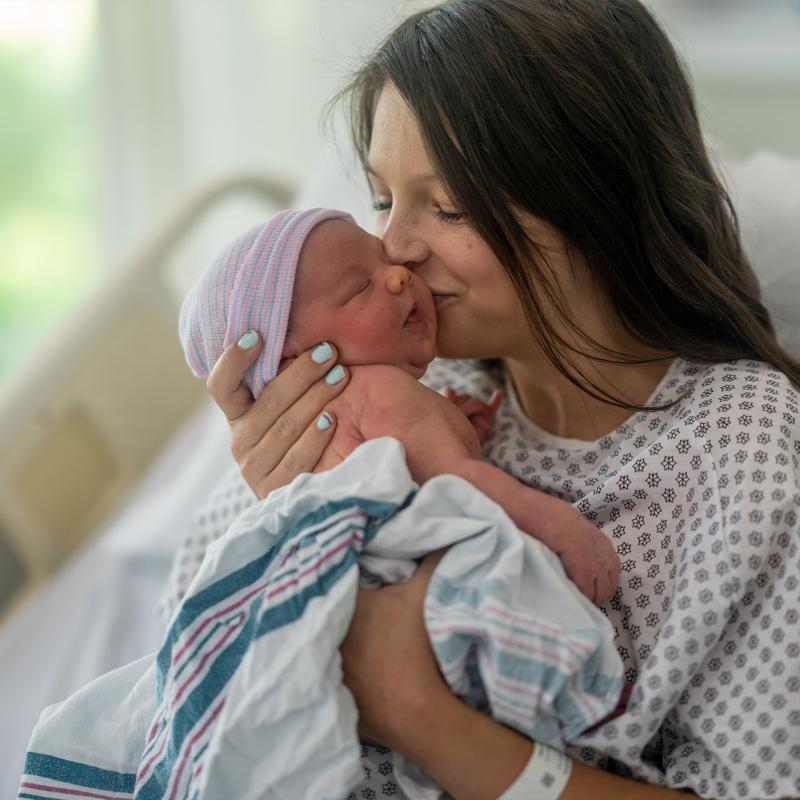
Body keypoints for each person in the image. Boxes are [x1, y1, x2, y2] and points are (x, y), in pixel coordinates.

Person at [169, 1, 800, 798]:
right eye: (380, 196)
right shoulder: (400, 383)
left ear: (600, 198)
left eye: (450, 205)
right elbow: (192, 681)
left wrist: (415, 711)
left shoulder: (739, 445)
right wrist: (295, 508)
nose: (393, 245)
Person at [180, 207, 621, 605]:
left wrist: (449, 428)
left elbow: (411, 476)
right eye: (358, 288)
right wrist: (562, 529)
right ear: (292, 362)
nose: (398, 275)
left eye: (382, 260)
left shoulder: (339, 412)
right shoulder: (379, 388)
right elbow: (458, 483)